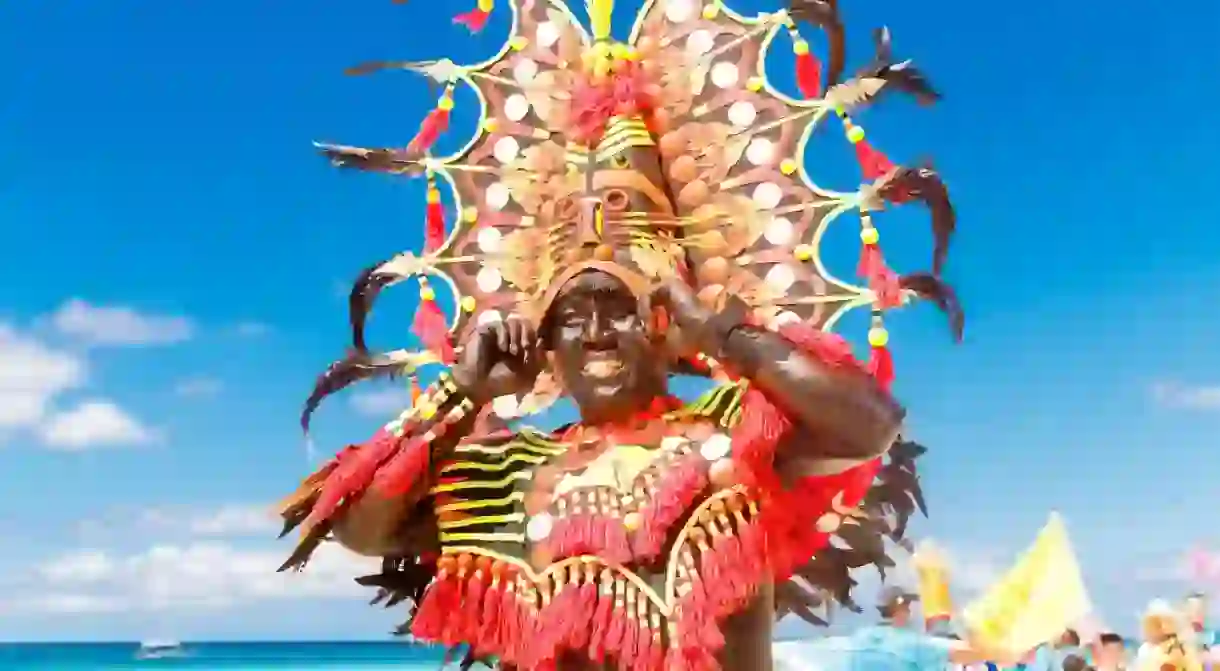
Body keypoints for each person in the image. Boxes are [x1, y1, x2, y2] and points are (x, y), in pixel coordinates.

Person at [273, 0, 964, 668]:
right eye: (568, 316)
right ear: (543, 341)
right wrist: (464, 394)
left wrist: (728, 335)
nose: (594, 330)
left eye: (619, 305)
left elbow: (869, 425)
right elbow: (362, 527)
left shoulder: (738, 440)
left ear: (665, 322)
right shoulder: (511, 477)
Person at [840, 587, 1016, 671]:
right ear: (902, 609)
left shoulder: (859, 639)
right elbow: (964, 652)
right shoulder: (911, 644)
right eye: (908, 607)